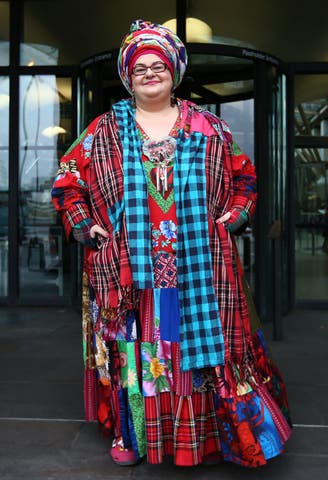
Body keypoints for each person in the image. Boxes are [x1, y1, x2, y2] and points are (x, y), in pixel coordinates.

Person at [51, 20, 291, 468]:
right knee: (134, 352)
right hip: (127, 270)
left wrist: (234, 216)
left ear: (173, 71)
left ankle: (194, 440)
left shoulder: (207, 125)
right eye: (138, 67)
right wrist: (87, 226)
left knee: (182, 352)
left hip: (195, 271)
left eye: (156, 65)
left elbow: (246, 179)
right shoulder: (104, 129)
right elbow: (67, 184)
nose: (148, 73)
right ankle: (132, 434)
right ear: (127, 76)